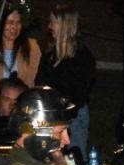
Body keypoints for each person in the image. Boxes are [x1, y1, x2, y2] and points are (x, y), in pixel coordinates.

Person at [38, 2, 95, 152]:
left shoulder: (82, 57)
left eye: (53, 22)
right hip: (49, 117)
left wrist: (63, 117)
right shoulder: (50, 54)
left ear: (65, 25)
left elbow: (79, 94)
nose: (49, 26)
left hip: (73, 120)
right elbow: (39, 83)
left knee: (73, 163)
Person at [0, 3, 41, 115]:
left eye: (18, 23)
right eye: (10, 23)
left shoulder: (32, 48)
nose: (14, 28)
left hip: (24, 112)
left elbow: (34, 84)